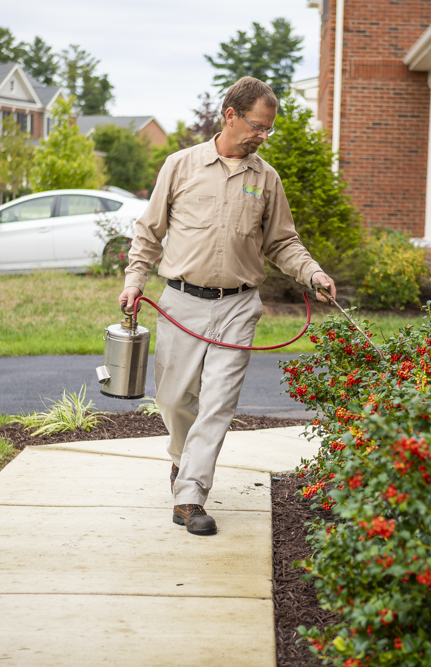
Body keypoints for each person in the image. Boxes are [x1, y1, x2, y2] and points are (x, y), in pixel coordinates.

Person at [119, 76, 336, 536]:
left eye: (268, 130)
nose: (262, 136)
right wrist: (134, 281)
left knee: (217, 402)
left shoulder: (266, 178)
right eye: (257, 126)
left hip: (238, 306)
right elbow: (148, 231)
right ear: (230, 115)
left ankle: (191, 495)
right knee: (176, 401)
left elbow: (282, 242)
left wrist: (312, 272)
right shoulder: (180, 166)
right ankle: (182, 461)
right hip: (181, 302)